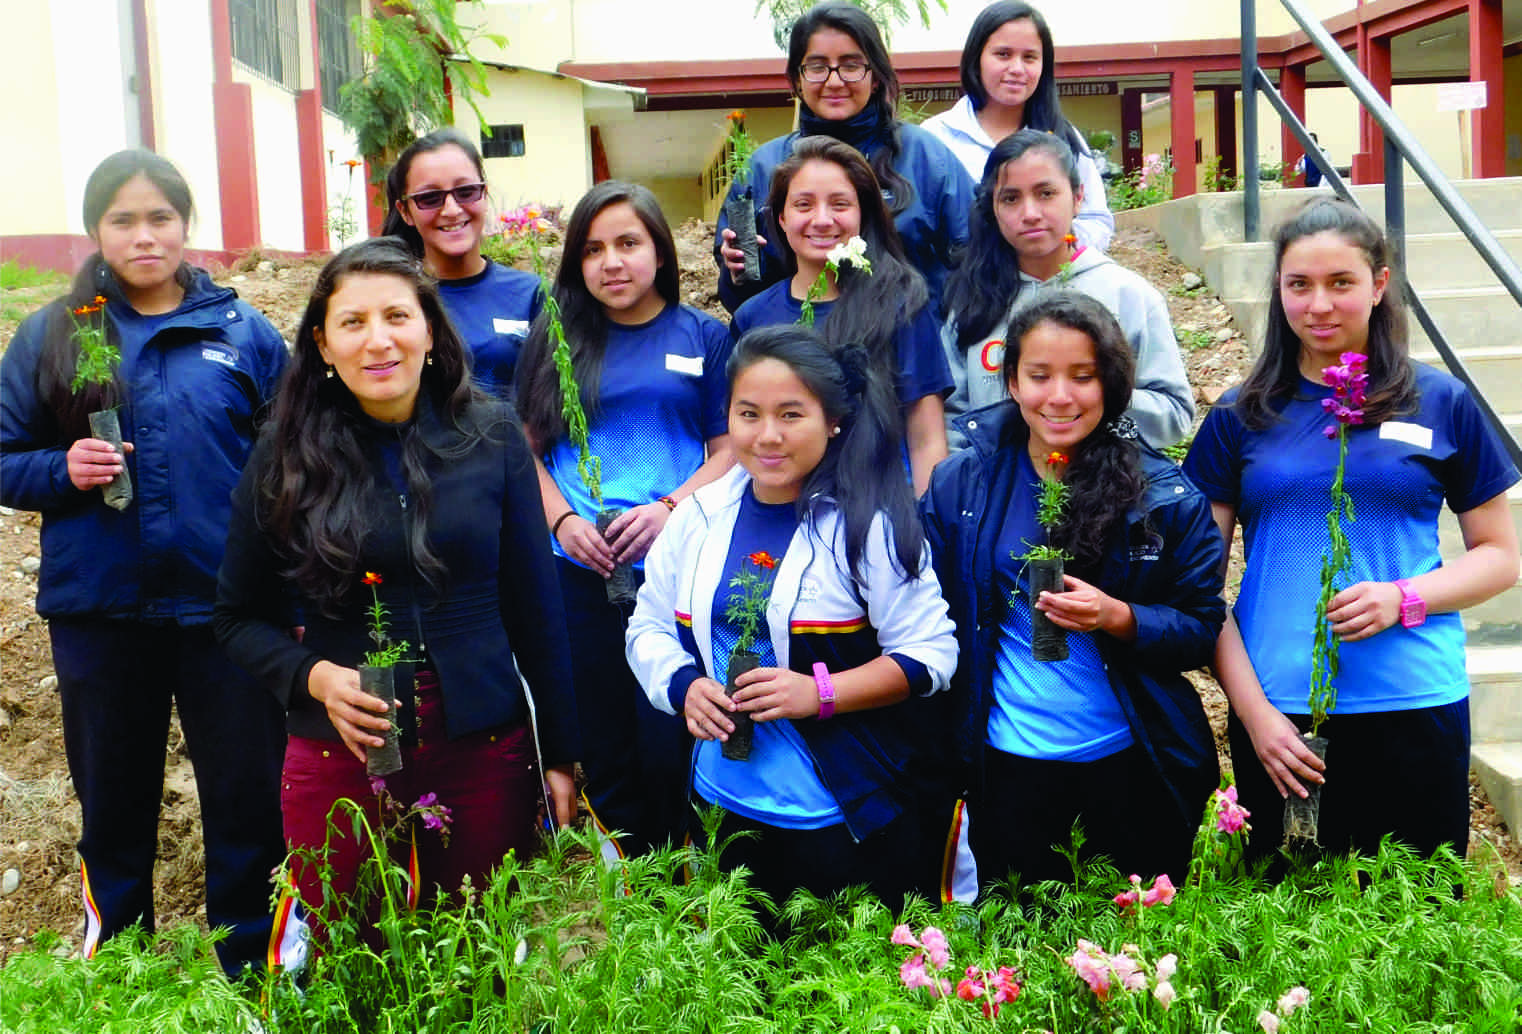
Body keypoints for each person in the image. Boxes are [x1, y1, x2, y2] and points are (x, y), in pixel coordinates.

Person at [214, 237, 580, 927]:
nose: (377, 341)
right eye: (352, 322)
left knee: (477, 943)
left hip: (483, 741)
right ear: (323, 345)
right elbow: (235, 617)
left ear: (431, 332)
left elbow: (537, 607)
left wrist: (560, 755)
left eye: (397, 317)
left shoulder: (492, 434)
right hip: (341, 742)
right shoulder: (284, 454)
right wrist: (315, 678)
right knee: (346, 950)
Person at [0, 150, 288, 974]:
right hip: (101, 614)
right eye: (123, 219)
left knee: (246, 801)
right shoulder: (52, 333)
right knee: (114, 806)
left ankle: (256, 975)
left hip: (227, 616)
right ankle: (125, 976)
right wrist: (61, 469)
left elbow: (297, 466)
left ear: (185, 225)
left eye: (160, 216)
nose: (144, 235)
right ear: (97, 230)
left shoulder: (244, 333)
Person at [1182, 197, 1519, 863]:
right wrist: (1254, 716)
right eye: (1299, 284)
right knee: (1290, 913)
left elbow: (1501, 557)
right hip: (1281, 716)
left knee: (1418, 911)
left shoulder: (1440, 401)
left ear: (1379, 284)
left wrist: (1404, 597)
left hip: (1415, 702)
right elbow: (1197, 589)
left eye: (1341, 282)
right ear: (1278, 290)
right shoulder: (1240, 415)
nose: (1319, 305)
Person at [626, 324, 958, 908]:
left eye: (791, 415)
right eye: (748, 414)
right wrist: (683, 688)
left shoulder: (868, 526)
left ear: (833, 421)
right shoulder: (697, 516)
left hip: (839, 811)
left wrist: (819, 694)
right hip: (719, 802)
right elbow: (647, 625)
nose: (768, 436)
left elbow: (931, 654)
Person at [922, 291, 1224, 891]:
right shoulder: (964, 483)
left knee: (1131, 934)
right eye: (1039, 376)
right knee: (1019, 934)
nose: (1059, 397)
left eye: (1082, 377)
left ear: (1111, 385)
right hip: (1004, 764)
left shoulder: (1163, 495)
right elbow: (928, 608)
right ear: (1012, 381)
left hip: (1129, 760)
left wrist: (1118, 616)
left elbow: (1200, 627)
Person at [515, 181, 735, 859]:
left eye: (628, 243)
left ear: (661, 253)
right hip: (578, 570)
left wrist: (670, 509)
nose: (611, 262)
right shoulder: (557, 337)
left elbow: (732, 448)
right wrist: (561, 524)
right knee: (604, 729)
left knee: (669, 723)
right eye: (592, 249)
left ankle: (687, 873)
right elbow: (523, 450)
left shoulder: (704, 336)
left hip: (675, 565)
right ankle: (629, 878)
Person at [714, 1, 974, 317]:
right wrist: (737, 272)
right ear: (797, 79)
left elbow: (975, 260)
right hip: (795, 343)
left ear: (875, 77)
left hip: (908, 341)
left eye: (851, 66)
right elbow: (741, 296)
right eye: (817, 67)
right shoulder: (761, 169)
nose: (834, 81)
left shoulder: (926, 157)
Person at [940, 129, 1191, 451]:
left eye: (1046, 193)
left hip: (1106, 478)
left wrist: (1090, 399)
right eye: (1011, 198)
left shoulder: (1128, 295)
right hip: (996, 482)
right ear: (993, 207)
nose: (1030, 214)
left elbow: (1174, 412)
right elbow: (952, 421)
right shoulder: (972, 301)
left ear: (1077, 197)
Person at [729, 136, 952, 495]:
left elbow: (926, 438)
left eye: (840, 204)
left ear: (862, 214)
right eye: (803, 204)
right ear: (781, 218)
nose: (822, 220)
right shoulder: (753, 317)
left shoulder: (901, 306)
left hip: (878, 509)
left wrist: (925, 518)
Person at [922, 1, 1114, 251]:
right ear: (976, 59)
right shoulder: (935, 138)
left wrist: (1052, 249)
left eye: (1029, 57)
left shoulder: (1064, 138)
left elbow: (1096, 221)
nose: (1016, 69)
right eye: (1003, 54)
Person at [382, 127, 540, 398]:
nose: (452, 210)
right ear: (405, 211)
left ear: (484, 194)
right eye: (430, 198)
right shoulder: (390, 298)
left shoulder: (532, 295)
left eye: (466, 192)